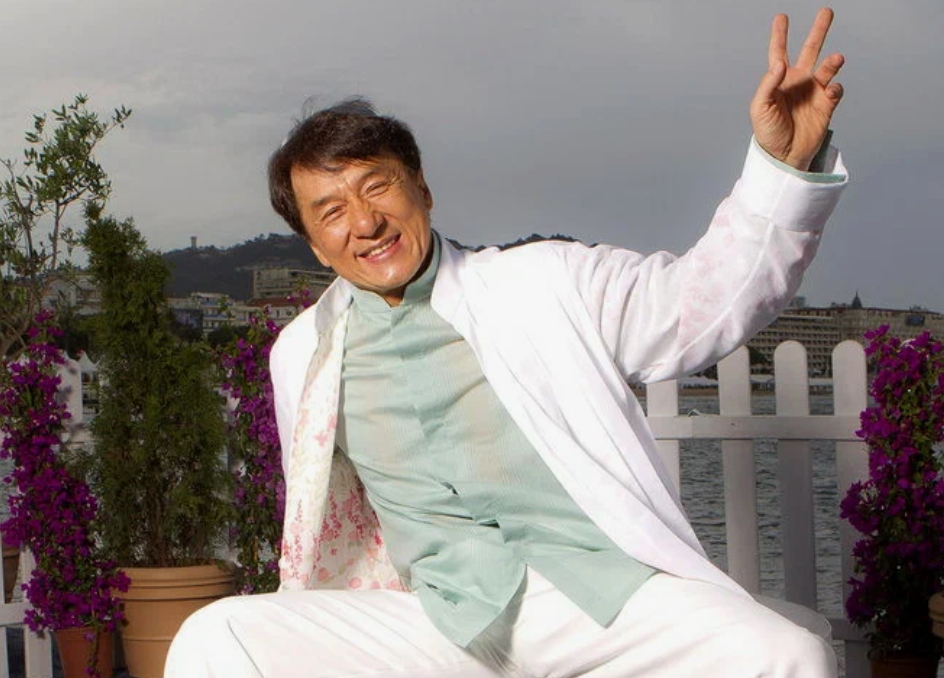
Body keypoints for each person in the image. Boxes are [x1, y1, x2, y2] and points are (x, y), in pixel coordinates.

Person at [167, 8, 847, 677]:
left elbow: (700, 306)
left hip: (594, 603)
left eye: (378, 187)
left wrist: (782, 166)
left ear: (422, 189)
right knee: (217, 634)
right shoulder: (302, 354)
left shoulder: (543, 281)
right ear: (315, 244)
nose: (366, 222)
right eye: (333, 211)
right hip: (432, 620)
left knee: (790, 654)